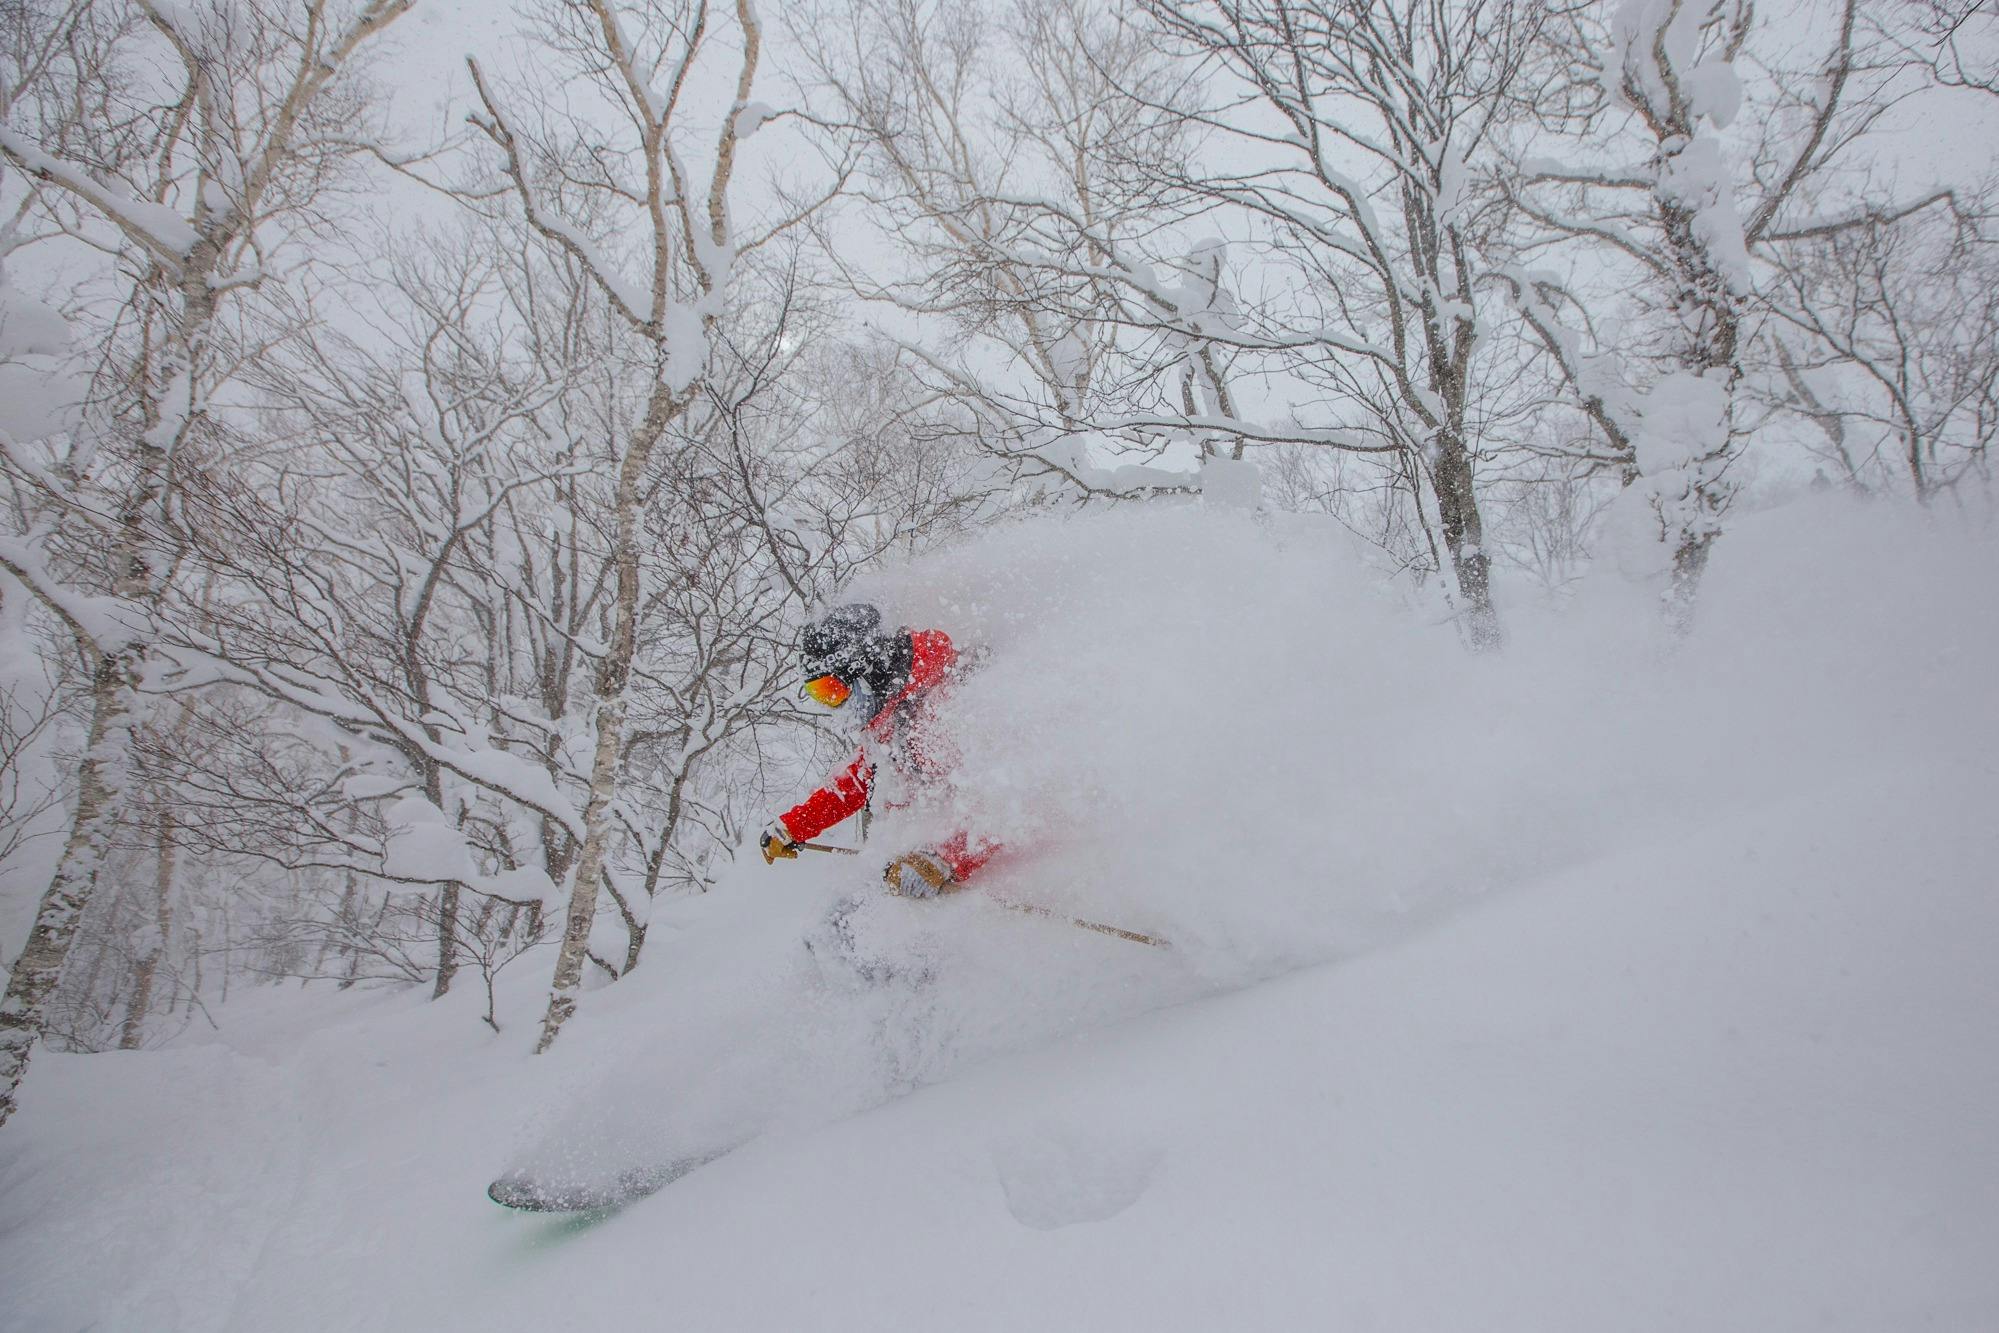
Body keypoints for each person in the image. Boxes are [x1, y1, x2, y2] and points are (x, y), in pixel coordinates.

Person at [759, 603, 996, 896]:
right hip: (921, 870)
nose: (834, 705)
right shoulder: (896, 711)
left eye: (833, 690)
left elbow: (1004, 802)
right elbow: (860, 779)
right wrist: (793, 827)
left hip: (987, 880)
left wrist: (941, 858)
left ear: (865, 669)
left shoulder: (943, 707)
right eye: (820, 694)